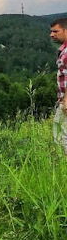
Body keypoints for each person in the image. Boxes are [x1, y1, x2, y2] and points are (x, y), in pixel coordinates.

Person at [52, 17, 67, 154]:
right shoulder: (64, 49)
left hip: (66, 101)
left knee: (64, 136)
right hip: (63, 100)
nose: (52, 34)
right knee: (58, 131)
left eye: (55, 31)